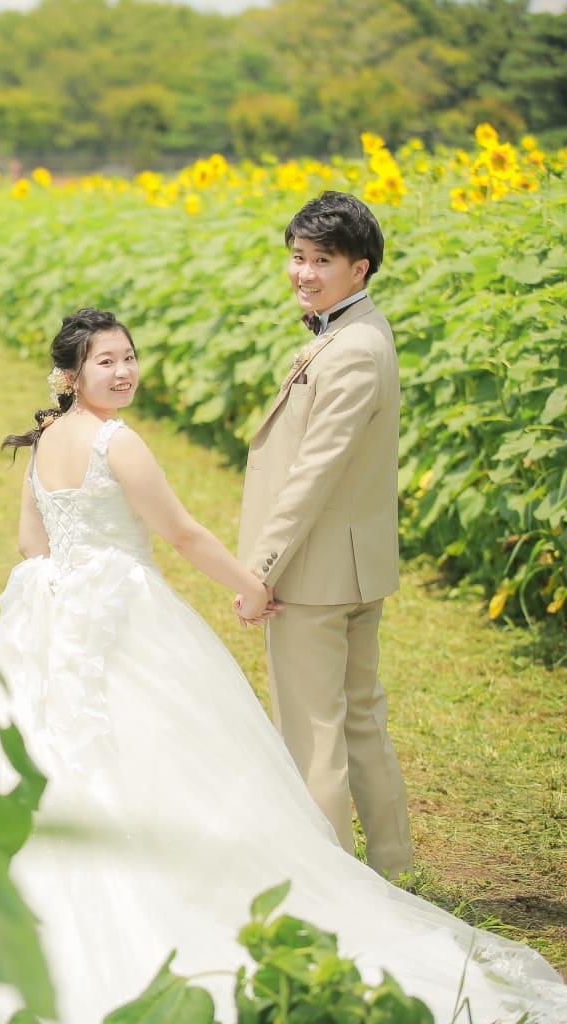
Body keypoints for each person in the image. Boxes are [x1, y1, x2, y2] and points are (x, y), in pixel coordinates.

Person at [0, 307, 566, 1024]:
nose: (124, 372)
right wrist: (250, 584)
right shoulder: (119, 443)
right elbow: (182, 532)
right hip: (123, 609)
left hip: (54, 610)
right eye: (106, 362)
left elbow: (31, 543)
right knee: (168, 746)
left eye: (129, 357)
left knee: (63, 746)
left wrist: (63, 599)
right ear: (71, 375)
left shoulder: (49, 438)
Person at [237, 190, 414, 881]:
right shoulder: (359, 332)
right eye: (298, 257)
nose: (303, 273)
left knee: (314, 736)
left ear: (360, 269)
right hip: (353, 567)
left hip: (314, 575)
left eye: (322, 261)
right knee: (362, 721)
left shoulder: (351, 351)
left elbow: (312, 473)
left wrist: (261, 568)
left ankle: (335, 888)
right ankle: (392, 871)